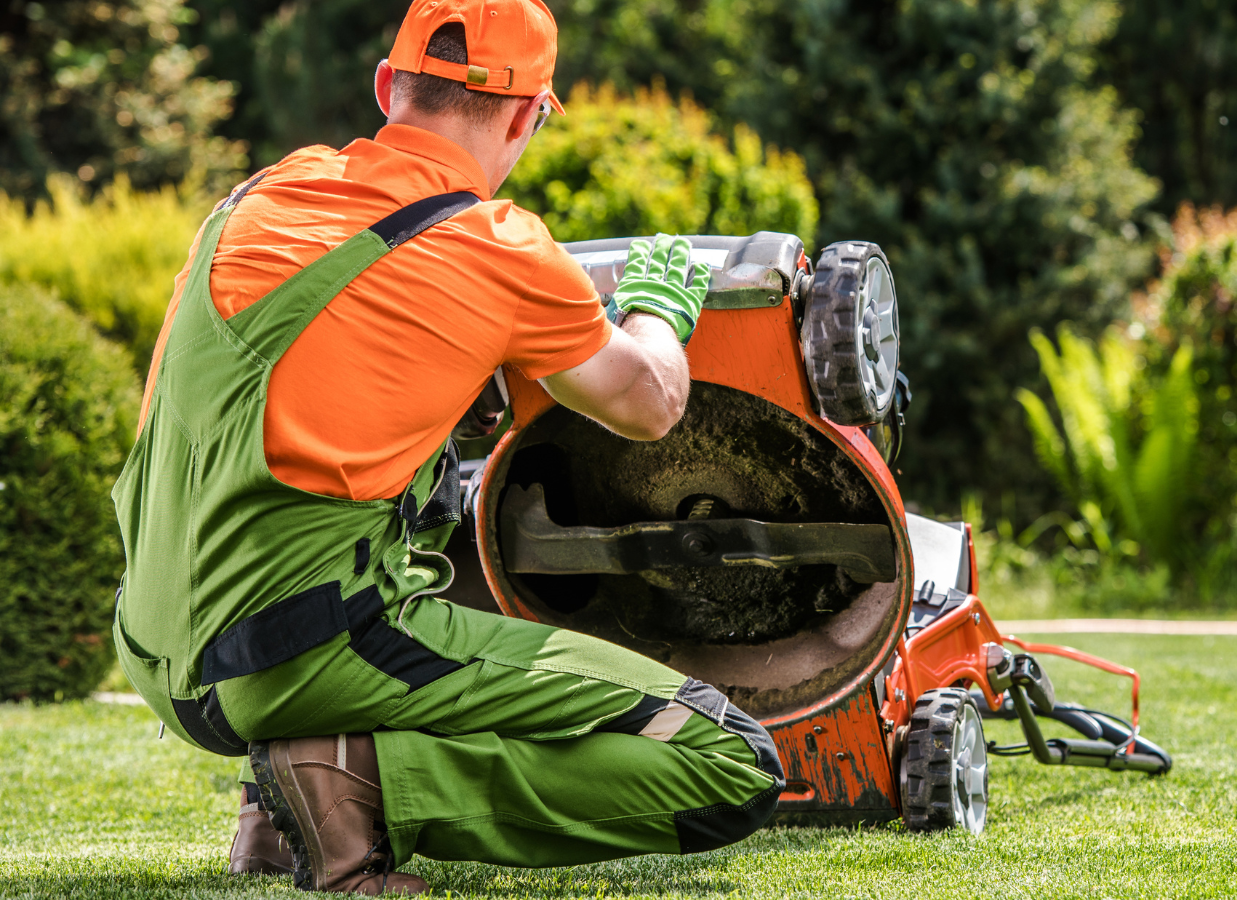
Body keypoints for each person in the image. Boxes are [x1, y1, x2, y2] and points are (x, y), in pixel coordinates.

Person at [110, 0, 783, 894]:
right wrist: (659, 304)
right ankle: (360, 788)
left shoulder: (255, 199)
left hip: (159, 650)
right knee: (728, 757)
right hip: (301, 656)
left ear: (389, 86)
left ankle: (279, 808)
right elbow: (649, 402)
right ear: (523, 115)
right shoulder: (496, 246)